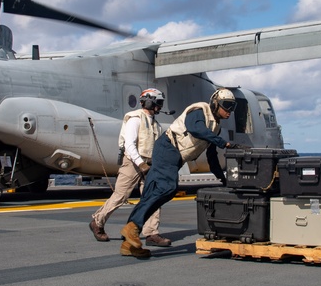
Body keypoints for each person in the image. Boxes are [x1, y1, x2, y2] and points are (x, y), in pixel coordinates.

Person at [119, 88, 238, 259]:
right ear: (215, 103)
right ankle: (133, 228)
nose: (229, 111)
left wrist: (223, 178)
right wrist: (223, 143)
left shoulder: (215, 128)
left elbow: (211, 157)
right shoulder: (200, 110)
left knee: (152, 194)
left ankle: (129, 242)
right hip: (168, 147)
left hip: (174, 156)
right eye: (226, 106)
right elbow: (195, 128)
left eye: (232, 107)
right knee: (168, 188)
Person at [89, 89, 169, 246]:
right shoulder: (135, 119)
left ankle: (152, 233)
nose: (160, 107)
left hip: (149, 164)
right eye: (158, 103)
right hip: (133, 163)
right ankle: (97, 222)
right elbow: (129, 145)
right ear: (148, 101)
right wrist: (140, 163)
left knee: (153, 197)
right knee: (120, 196)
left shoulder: (156, 125)